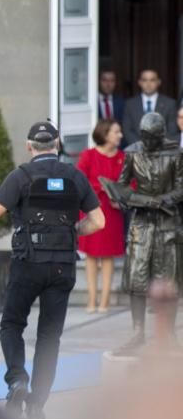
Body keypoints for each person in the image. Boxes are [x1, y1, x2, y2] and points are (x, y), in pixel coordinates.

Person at [0, 121, 104, 419]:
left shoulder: (22, 176)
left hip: (28, 263)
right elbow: (98, 221)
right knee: (49, 337)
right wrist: (70, 233)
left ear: (29, 146)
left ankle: (17, 379)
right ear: (58, 144)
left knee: (11, 325)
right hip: (62, 266)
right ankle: (37, 406)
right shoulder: (75, 176)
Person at [108, 112, 183, 355]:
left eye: (152, 137)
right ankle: (137, 332)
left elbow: (181, 186)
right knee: (137, 279)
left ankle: (169, 334)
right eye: (144, 136)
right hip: (141, 224)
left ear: (161, 135)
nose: (148, 142)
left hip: (167, 223)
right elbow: (122, 184)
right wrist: (124, 198)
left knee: (167, 279)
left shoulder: (175, 154)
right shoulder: (132, 152)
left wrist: (163, 199)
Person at [76, 119, 126, 312]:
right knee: (90, 256)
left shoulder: (122, 157)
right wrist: (102, 188)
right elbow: (80, 179)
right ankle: (91, 300)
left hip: (112, 212)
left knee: (108, 257)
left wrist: (120, 197)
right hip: (92, 209)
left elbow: (130, 183)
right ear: (105, 134)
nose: (120, 135)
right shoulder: (88, 155)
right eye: (116, 132)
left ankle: (104, 301)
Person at [122, 69, 178, 147]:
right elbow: (127, 130)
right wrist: (141, 146)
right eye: (145, 80)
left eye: (152, 80)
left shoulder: (170, 104)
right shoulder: (130, 104)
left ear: (158, 82)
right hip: (137, 151)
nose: (148, 84)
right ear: (139, 82)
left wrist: (157, 146)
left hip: (162, 152)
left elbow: (172, 130)